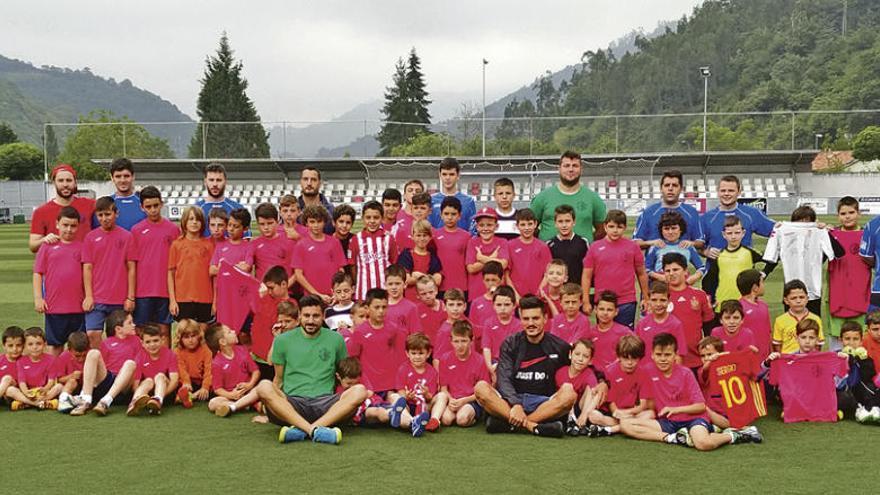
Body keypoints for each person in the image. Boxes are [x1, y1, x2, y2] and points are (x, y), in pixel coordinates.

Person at [253, 295, 367, 445]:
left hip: (326, 404)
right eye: (306, 316)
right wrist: (271, 408)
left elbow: (344, 374)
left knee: (360, 390)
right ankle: (315, 430)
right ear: (299, 315)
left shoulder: (336, 339)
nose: (311, 320)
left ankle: (303, 429)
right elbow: (278, 379)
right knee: (263, 386)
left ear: (323, 316)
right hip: (293, 403)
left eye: (316, 316)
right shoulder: (282, 340)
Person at [620, 333, 762, 450]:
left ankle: (735, 435)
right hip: (667, 423)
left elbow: (700, 406)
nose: (663, 359)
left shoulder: (686, 373)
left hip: (693, 419)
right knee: (625, 425)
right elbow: (625, 367)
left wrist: (675, 409)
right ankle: (672, 438)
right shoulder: (648, 371)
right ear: (652, 355)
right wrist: (603, 382)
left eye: (667, 355)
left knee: (703, 444)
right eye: (659, 354)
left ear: (675, 355)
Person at [473, 296, 578, 437]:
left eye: (535, 318)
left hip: (542, 403)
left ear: (545, 318)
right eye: (526, 319)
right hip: (510, 402)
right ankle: (533, 426)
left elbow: (580, 369)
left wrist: (602, 382)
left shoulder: (560, 346)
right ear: (521, 319)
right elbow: (503, 379)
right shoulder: (510, 344)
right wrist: (515, 404)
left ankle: (512, 424)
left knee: (569, 394)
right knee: (480, 388)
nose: (531, 323)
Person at [700, 175, 775, 298]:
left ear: (739, 192)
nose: (726, 194)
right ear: (718, 192)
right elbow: (696, 245)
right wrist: (705, 251)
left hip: (745, 279)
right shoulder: (707, 218)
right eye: (723, 190)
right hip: (715, 279)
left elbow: (777, 232)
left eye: (731, 190)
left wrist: (813, 226)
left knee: (745, 314)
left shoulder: (751, 214)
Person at [764, 205, 842, 316]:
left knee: (813, 324)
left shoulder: (819, 232)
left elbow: (839, 253)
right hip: (791, 290)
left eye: (807, 221)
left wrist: (826, 232)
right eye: (800, 221)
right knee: (791, 325)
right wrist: (764, 272)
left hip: (813, 290)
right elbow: (773, 257)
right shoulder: (783, 231)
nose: (803, 224)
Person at [766, 320, 848, 423]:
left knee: (842, 397)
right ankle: (792, 410)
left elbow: (841, 378)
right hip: (798, 396)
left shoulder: (826, 359)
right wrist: (770, 361)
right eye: (803, 337)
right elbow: (772, 381)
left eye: (811, 338)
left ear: (817, 339)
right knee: (786, 393)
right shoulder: (787, 360)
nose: (807, 341)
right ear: (797, 338)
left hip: (818, 397)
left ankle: (830, 410)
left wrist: (842, 360)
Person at [82, 196, 137, 349]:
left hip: (119, 298)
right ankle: (100, 369)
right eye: (100, 215)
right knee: (92, 334)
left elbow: (131, 267)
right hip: (98, 297)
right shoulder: (90, 238)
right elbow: (87, 268)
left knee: (121, 336)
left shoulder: (127, 236)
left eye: (108, 214)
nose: (104, 218)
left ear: (116, 214)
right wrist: (88, 295)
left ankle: (117, 368)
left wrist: (130, 297)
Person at [582, 210, 649, 328]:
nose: (615, 230)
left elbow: (641, 273)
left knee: (626, 339)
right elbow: (587, 276)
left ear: (625, 228)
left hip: (626, 301)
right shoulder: (595, 247)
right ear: (605, 226)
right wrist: (586, 300)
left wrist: (646, 297)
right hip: (603, 301)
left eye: (619, 227)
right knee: (605, 334)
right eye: (611, 226)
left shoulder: (632, 247)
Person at [33, 206, 85, 355]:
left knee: (78, 346)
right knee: (55, 345)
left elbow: (88, 274)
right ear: (57, 224)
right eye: (65, 225)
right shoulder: (48, 246)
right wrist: (38, 298)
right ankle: (53, 377)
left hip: (78, 306)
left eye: (73, 226)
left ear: (78, 226)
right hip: (54, 306)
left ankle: (76, 377)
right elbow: (38, 272)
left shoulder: (82, 247)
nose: (69, 229)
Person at [131, 186, 180, 343]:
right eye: (148, 207)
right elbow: (132, 263)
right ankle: (143, 366)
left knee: (164, 330)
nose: (153, 210)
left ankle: (166, 366)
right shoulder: (136, 230)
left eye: (155, 205)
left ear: (161, 204)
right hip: (143, 290)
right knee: (141, 331)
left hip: (164, 290)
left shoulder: (173, 229)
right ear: (142, 207)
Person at [68, 310, 139, 416]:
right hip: (108, 380)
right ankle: (85, 399)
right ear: (118, 329)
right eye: (129, 323)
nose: (134, 325)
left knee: (130, 363)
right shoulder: (107, 343)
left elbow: (139, 364)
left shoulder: (136, 340)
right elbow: (101, 367)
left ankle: (105, 402)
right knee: (93, 353)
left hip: (124, 385)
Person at [530, 150, 606, 242]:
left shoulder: (593, 198)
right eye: (566, 166)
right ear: (559, 169)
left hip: (583, 255)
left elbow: (602, 229)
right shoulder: (542, 197)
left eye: (575, 166)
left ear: (581, 169)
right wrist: (544, 240)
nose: (571, 169)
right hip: (549, 255)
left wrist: (585, 243)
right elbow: (529, 226)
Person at [702, 216, 774, 309]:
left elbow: (772, 259)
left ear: (743, 233)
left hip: (746, 305)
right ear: (724, 234)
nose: (733, 236)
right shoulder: (718, 255)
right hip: (722, 304)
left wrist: (764, 273)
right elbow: (710, 280)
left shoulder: (749, 252)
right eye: (729, 233)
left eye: (737, 233)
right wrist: (710, 301)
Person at [827, 197, 871, 350]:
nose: (847, 216)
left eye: (851, 212)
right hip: (837, 293)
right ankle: (837, 372)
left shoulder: (868, 235)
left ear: (859, 213)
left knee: (861, 340)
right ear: (838, 216)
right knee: (837, 340)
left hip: (860, 292)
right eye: (843, 213)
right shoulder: (830, 235)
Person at [586, 335, 651, 437]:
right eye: (625, 358)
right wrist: (618, 412)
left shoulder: (644, 373)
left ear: (640, 357)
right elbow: (612, 404)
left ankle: (609, 430)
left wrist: (628, 413)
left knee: (650, 414)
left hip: (631, 413)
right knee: (594, 416)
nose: (629, 362)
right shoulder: (610, 371)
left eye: (634, 358)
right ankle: (626, 426)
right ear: (619, 356)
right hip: (613, 414)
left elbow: (642, 405)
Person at [347, 289, 407, 396]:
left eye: (384, 307)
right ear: (367, 308)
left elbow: (401, 355)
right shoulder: (360, 331)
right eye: (377, 307)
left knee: (397, 402)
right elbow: (353, 358)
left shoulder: (394, 328)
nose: (381, 311)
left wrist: (401, 382)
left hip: (391, 384)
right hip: (369, 386)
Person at [663, 253, 715, 369]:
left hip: (696, 361)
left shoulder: (699, 295)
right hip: (669, 363)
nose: (671, 273)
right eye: (667, 271)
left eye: (676, 269)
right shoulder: (660, 298)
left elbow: (708, 328)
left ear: (686, 271)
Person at [29, 163, 95, 253]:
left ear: (75, 183)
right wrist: (44, 240)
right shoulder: (41, 212)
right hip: (58, 263)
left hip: (84, 263)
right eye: (60, 180)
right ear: (54, 183)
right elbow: (33, 246)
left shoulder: (90, 205)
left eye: (69, 180)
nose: (65, 184)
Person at [168, 207, 214, 329]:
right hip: (183, 298)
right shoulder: (177, 245)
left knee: (203, 337)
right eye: (191, 219)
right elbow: (171, 273)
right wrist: (172, 300)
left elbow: (214, 276)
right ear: (184, 222)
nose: (194, 222)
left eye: (198, 219)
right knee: (185, 336)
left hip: (205, 298)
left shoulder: (209, 245)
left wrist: (215, 301)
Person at [633, 169, 704, 250]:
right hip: (654, 262)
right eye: (667, 185)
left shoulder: (691, 212)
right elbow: (636, 242)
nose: (670, 188)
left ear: (681, 189)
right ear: (661, 188)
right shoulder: (648, 212)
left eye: (674, 185)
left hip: (681, 261)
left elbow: (700, 242)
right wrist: (652, 243)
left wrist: (691, 243)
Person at [438, 320, 491, 427]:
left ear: (471, 341)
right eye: (456, 341)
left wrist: (464, 401)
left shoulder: (480, 360)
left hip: (471, 399)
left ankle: (476, 416)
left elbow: (484, 391)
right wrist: (451, 399)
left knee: (462, 420)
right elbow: (443, 388)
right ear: (451, 341)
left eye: (464, 341)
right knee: (446, 420)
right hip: (454, 399)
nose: (460, 345)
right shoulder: (445, 359)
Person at [204, 322, 261, 418]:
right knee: (212, 403)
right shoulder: (217, 363)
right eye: (230, 332)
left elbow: (256, 371)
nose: (234, 332)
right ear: (223, 342)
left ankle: (237, 406)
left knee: (260, 389)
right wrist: (231, 395)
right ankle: (245, 405)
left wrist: (249, 384)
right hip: (230, 396)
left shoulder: (242, 350)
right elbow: (218, 389)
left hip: (248, 391)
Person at [293, 205, 346, 304]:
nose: (316, 225)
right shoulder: (301, 245)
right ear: (306, 223)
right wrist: (316, 294)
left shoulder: (334, 242)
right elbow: (298, 274)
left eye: (319, 221)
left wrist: (337, 292)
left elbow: (341, 270)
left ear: (324, 222)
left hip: (333, 297)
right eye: (312, 222)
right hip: (311, 298)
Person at [248, 266, 292, 381]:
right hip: (257, 355)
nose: (269, 291)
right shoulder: (266, 298)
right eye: (267, 288)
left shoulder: (290, 305)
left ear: (283, 284)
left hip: (272, 359)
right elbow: (253, 309)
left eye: (271, 288)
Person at [394, 333, 443, 436]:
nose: (417, 357)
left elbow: (430, 397)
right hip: (409, 405)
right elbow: (401, 391)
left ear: (428, 353)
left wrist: (426, 394)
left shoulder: (432, 372)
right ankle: (413, 422)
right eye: (413, 353)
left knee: (442, 396)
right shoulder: (403, 369)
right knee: (396, 398)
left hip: (425, 406)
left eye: (421, 353)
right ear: (407, 353)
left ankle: (434, 420)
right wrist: (406, 397)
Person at [127, 324, 179, 416]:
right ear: (142, 343)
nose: (152, 345)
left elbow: (174, 381)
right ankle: (134, 403)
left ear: (162, 340)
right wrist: (146, 398)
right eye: (148, 342)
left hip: (165, 391)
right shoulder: (140, 357)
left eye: (155, 340)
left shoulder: (170, 354)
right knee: (148, 381)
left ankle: (157, 400)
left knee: (160, 376)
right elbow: (135, 384)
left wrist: (162, 394)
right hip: (147, 393)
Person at [350, 201, 397, 301]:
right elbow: (353, 266)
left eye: (376, 218)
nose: (372, 221)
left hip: (385, 289)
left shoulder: (388, 237)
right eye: (368, 217)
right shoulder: (356, 239)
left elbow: (394, 263)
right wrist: (358, 282)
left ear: (382, 218)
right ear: (363, 218)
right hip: (363, 291)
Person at [555, 339, 603, 435]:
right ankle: (571, 422)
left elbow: (595, 393)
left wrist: (584, 415)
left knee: (593, 390)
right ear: (570, 354)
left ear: (590, 361)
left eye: (585, 356)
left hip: (581, 408)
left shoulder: (588, 373)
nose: (580, 359)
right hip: (565, 408)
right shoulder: (561, 372)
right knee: (567, 389)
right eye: (577, 354)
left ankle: (582, 422)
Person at [644, 211, 705, 285]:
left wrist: (694, 277)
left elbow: (702, 267)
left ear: (680, 229)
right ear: (661, 231)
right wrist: (659, 277)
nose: (670, 232)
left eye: (674, 228)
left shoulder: (687, 247)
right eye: (666, 229)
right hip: (662, 288)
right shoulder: (656, 246)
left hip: (682, 287)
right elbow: (646, 269)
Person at [8, 327, 60, 410]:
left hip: (43, 391)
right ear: (25, 346)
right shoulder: (21, 361)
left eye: (38, 344)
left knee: (59, 386)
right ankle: (39, 403)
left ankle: (28, 403)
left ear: (45, 344)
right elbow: (22, 382)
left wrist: (45, 389)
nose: (35, 347)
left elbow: (51, 380)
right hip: (28, 392)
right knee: (10, 390)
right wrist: (26, 393)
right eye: (30, 344)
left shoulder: (51, 359)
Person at [635, 282, 687, 364]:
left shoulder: (675, 324)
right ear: (648, 301)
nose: (658, 304)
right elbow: (635, 350)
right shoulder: (642, 324)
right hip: (646, 372)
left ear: (669, 301)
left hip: (667, 372)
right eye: (654, 300)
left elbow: (679, 355)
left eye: (662, 300)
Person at [466, 207, 509, 301]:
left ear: (496, 226)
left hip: (498, 295)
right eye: (481, 225)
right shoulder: (472, 243)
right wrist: (492, 258)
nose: (485, 229)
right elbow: (471, 268)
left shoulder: (502, 242)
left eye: (489, 225)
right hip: (476, 293)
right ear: (477, 227)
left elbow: (503, 265)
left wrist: (482, 258)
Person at [507, 209, 552, 298]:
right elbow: (506, 275)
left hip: (537, 297)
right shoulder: (510, 245)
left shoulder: (542, 247)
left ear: (535, 224)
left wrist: (539, 292)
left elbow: (548, 273)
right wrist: (515, 296)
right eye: (523, 225)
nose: (527, 228)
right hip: (516, 297)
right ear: (517, 226)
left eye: (530, 224)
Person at [584, 290, 633, 370]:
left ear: (616, 312)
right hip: (594, 374)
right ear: (596, 310)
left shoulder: (625, 332)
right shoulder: (589, 332)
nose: (605, 313)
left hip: (616, 374)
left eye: (609, 310)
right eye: (602, 309)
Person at [772, 279, 824, 353]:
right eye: (794, 298)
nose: (798, 301)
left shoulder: (815, 319)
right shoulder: (780, 320)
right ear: (786, 300)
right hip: (788, 361)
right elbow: (777, 345)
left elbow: (818, 344)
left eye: (801, 297)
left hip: (808, 361)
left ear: (807, 299)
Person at [194, 162, 245, 237]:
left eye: (219, 180)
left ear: (225, 182)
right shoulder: (196, 210)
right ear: (205, 182)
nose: (215, 184)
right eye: (211, 180)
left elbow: (245, 241)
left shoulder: (238, 209)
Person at [433, 196, 470, 297]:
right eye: (446, 214)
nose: (449, 217)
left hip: (461, 286)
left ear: (459, 215)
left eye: (453, 214)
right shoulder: (434, 235)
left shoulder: (466, 236)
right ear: (441, 215)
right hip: (440, 287)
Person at [397, 219, 443, 301]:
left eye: (425, 235)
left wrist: (419, 276)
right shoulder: (406, 255)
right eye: (418, 235)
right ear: (412, 236)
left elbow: (437, 280)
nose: (422, 239)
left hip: (428, 301)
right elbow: (407, 280)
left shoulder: (433, 257)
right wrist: (429, 277)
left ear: (430, 237)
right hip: (410, 300)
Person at [250, 203, 295, 283]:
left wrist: (283, 288)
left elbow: (296, 272)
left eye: (270, 223)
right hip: (263, 292)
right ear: (257, 223)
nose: (266, 227)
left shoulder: (289, 242)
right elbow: (250, 270)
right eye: (262, 224)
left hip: (286, 291)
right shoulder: (254, 244)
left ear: (277, 222)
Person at [428, 157, 477, 231]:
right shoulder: (431, 200)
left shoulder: (468, 201)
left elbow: (473, 229)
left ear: (458, 175)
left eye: (451, 174)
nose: (447, 178)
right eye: (444, 174)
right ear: (439, 175)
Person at [480, 286, 520, 372]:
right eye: (499, 305)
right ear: (493, 305)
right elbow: (486, 347)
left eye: (507, 304)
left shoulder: (519, 325)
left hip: (512, 362)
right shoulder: (488, 323)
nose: (502, 308)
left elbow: (519, 350)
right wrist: (490, 367)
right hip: (494, 362)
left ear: (514, 305)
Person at [174, 319, 212, 409]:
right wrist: (186, 383)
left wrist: (205, 387)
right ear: (180, 338)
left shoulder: (206, 350)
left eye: (193, 336)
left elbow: (209, 370)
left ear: (199, 336)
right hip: (186, 383)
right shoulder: (177, 352)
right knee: (175, 386)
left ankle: (191, 397)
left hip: (201, 382)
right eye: (186, 337)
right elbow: (181, 370)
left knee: (214, 389)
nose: (191, 340)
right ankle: (186, 396)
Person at [546, 204, 589, 284]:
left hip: (576, 290)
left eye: (567, 221)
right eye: (560, 221)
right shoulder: (549, 244)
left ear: (574, 222)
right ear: (555, 223)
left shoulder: (583, 242)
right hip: (557, 290)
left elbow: (587, 270)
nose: (564, 225)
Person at [738, 269, 773, 359]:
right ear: (755, 287)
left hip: (765, 359)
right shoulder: (739, 308)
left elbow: (768, 333)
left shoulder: (764, 306)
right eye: (762, 282)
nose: (764, 286)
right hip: (748, 360)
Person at [54, 331, 89, 413]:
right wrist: (71, 376)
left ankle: (82, 400)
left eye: (84, 355)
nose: (81, 359)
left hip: (88, 388)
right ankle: (63, 400)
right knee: (72, 381)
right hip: (72, 388)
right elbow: (59, 379)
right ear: (69, 350)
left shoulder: (91, 355)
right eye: (77, 356)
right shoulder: (63, 357)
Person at [107, 158, 146, 230]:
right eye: (118, 176)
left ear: (133, 176)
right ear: (112, 178)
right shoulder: (106, 204)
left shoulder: (145, 203)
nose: (123, 180)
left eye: (126, 176)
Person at [468, 261, 505, 332]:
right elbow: (472, 328)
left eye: (494, 280)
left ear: (501, 279)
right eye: (487, 280)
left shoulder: (507, 302)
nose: (490, 283)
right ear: (483, 280)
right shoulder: (476, 303)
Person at [297, 167, 335, 234]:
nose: (309, 183)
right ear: (301, 182)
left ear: (320, 183)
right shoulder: (291, 210)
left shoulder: (331, 211)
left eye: (313, 180)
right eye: (305, 179)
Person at [415, 276, 445, 345]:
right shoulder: (416, 310)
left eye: (431, 292)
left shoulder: (447, 307)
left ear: (436, 290)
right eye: (423, 294)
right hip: (426, 349)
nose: (428, 296)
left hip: (444, 348)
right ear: (417, 295)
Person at [0, 327, 25, 404]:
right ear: (4, 346)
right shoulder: (1, 359)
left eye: (18, 345)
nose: (15, 349)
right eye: (10, 346)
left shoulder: (25, 361)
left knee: (7, 379)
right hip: (2, 391)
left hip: (15, 392)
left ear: (23, 345)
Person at [332, 204, 357, 278]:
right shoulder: (329, 241)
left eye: (348, 222)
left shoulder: (356, 240)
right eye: (341, 221)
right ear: (334, 222)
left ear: (352, 224)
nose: (344, 225)